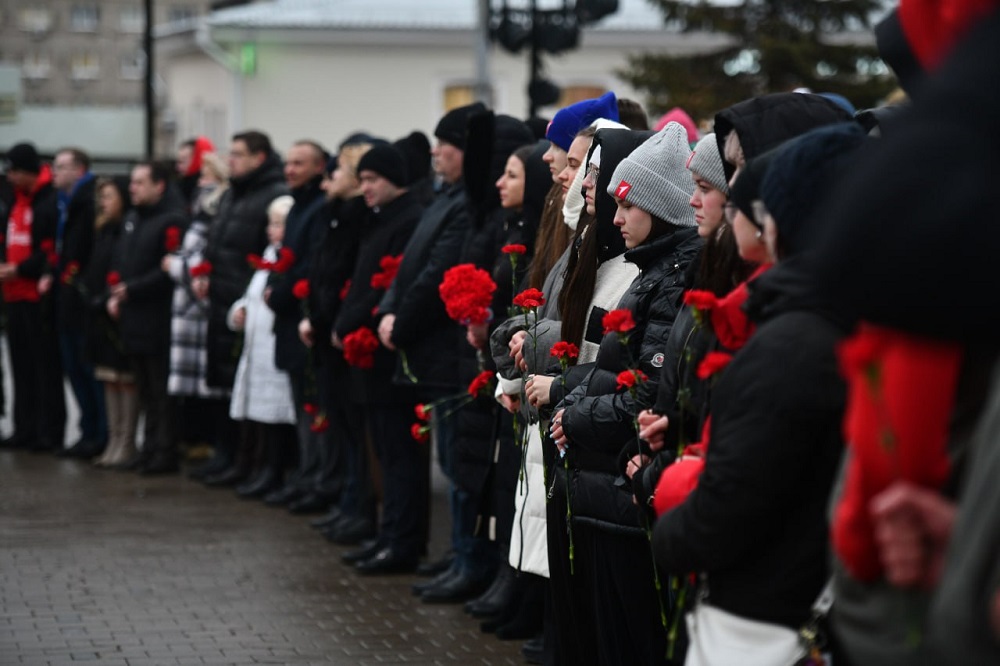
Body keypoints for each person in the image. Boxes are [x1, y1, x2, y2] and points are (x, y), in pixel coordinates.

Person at [652, 122, 868, 665]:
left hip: (764, 614)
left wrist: (670, 528)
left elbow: (737, 501)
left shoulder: (791, 344)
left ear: (777, 223)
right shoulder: (823, 321)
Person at [547, 122, 702, 665]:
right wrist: (575, 399)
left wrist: (578, 414)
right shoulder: (652, 271)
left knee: (630, 641)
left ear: (657, 209)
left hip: (622, 481)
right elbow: (615, 370)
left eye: (626, 207)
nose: (615, 220)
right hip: (605, 479)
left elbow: (648, 391)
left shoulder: (673, 278)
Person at [376, 101, 483, 597]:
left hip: (442, 349)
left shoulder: (463, 205)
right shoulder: (443, 198)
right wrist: (387, 309)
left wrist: (401, 319)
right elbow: (408, 266)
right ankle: (457, 555)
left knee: (459, 462)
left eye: (448, 144)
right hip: (424, 348)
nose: (437, 151)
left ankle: (466, 556)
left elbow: (437, 271)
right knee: (451, 457)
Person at [335, 143, 425, 574]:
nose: (363, 187)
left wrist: (351, 322)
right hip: (368, 351)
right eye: (362, 179)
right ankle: (387, 534)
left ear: (394, 178)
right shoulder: (379, 219)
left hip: (387, 356)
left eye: (371, 180)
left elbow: (385, 285)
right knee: (384, 453)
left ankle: (401, 540)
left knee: (398, 454)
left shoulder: (407, 219)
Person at [195, 130, 288, 480]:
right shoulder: (235, 193)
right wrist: (205, 271)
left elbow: (267, 252)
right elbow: (217, 239)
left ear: (259, 158)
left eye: (238, 154)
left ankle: (248, 462)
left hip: (245, 301)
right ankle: (226, 454)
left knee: (244, 384)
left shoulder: (273, 195)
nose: (230, 160)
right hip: (221, 301)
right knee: (223, 383)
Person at [107, 161, 188, 474]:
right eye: (133, 183)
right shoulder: (132, 218)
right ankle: (148, 446)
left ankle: (165, 451)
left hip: (158, 319)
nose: (133, 188)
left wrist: (133, 289)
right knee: (143, 388)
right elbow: (121, 259)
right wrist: (115, 291)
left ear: (160, 186)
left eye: (141, 182)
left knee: (160, 391)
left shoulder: (173, 220)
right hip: (132, 318)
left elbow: (167, 269)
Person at [226, 195, 298, 499]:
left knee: (276, 418)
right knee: (259, 417)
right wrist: (238, 311)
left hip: (274, 350)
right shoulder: (268, 257)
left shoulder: (287, 260)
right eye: (271, 223)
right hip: (256, 350)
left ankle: (276, 473)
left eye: (280, 223)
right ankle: (260, 469)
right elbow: (253, 296)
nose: (272, 229)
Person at [164, 152, 231, 462]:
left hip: (200, 311)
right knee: (196, 390)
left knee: (209, 389)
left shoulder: (212, 214)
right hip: (189, 312)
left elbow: (200, 264)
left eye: (206, 175)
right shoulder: (200, 213)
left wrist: (173, 265)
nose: (200, 181)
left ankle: (211, 445)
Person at [0, 142, 66, 453]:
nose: (9, 177)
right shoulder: (16, 201)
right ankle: (24, 429)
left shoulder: (48, 201)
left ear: (27, 171)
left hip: (35, 298)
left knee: (44, 369)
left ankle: (48, 432)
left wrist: (19, 269)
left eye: (13, 171)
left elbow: (47, 251)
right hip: (13, 296)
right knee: (20, 367)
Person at [51, 146, 105, 459]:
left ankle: (98, 434)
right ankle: (89, 431)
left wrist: (80, 286)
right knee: (74, 367)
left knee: (86, 368)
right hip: (68, 297)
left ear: (79, 169)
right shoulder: (68, 203)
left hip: (81, 300)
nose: (55, 172)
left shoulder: (88, 203)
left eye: (61, 166)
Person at [86, 178, 139, 469]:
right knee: (108, 376)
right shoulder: (103, 230)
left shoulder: (126, 229)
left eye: (108, 196)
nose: (103, 202)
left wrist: (109, 296)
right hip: (100, 312)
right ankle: (113, 438)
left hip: (118, 311)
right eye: (101, 197)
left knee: (125, 377)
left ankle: (127, 441)